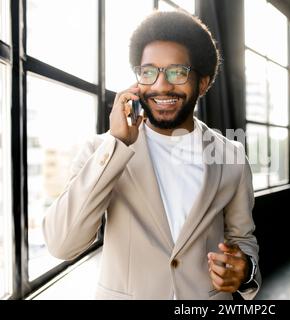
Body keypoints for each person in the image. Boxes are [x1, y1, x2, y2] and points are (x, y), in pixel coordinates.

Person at [43, 10, 260, 300]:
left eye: (177, 71)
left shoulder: (231, 155)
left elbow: (242, 238)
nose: (161, 85)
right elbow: (62, 244)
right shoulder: (101, 151)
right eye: (149, 72)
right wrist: (118, 143)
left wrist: (245, 271)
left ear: (203, 82)